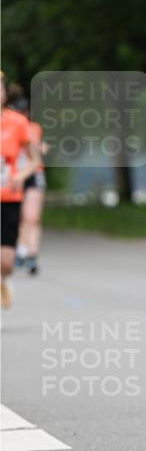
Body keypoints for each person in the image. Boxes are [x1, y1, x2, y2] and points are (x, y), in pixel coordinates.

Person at [1, 73, 39, 307]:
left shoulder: (17, 123)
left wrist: (20, 176)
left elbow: (35, 159)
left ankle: (3, 280)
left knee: (6, 262)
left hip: (9, 197)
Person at [9, 88, 47, 275]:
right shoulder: (9, 126)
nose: (23, 115)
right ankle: (21, 249)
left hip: (33, 174)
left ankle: (31, 253)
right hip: (15, 175)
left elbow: (36, 151)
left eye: (25, 112)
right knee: (21, 218)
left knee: (32, 217)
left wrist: (41, 148)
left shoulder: (33, 128)